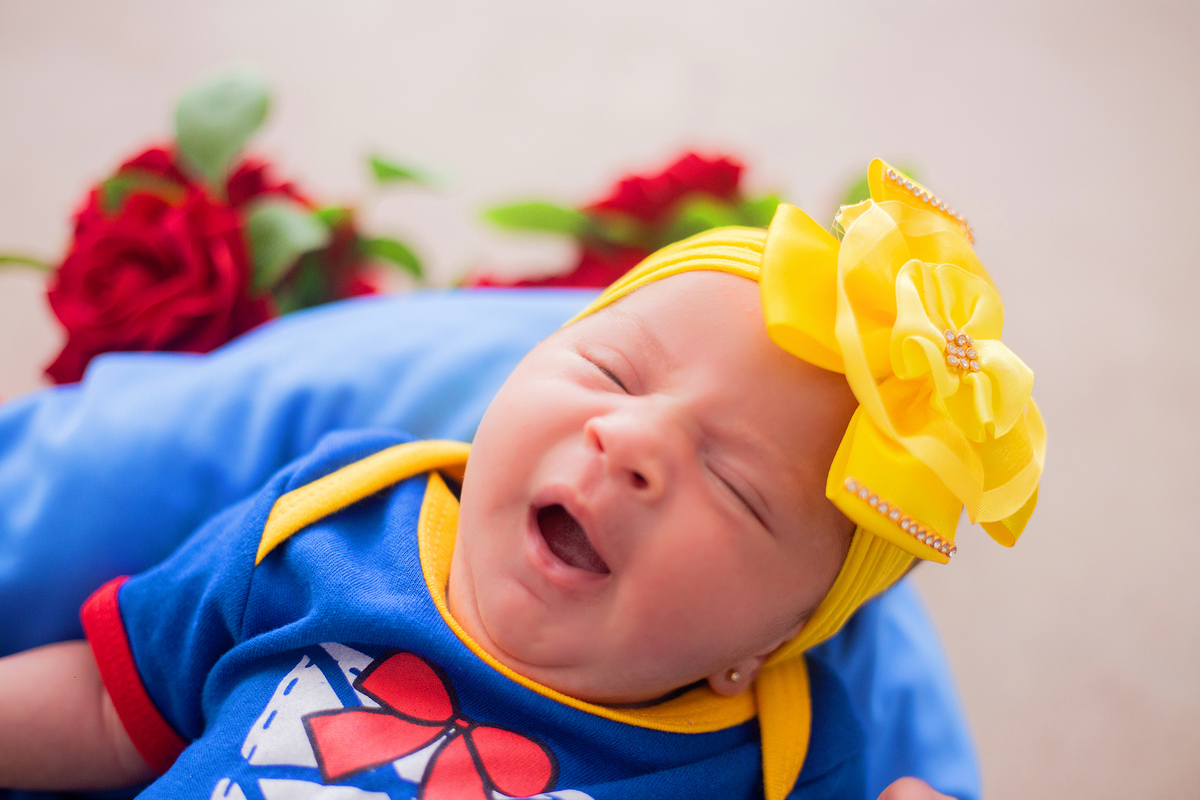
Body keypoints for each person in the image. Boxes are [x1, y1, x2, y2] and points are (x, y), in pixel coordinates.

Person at [0, 160, 1044, 799]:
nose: (632, 442)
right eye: (613, 372)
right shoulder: (341, 518)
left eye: (735, 485)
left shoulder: (779, 758)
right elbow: (108, 702)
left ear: (768, 644)